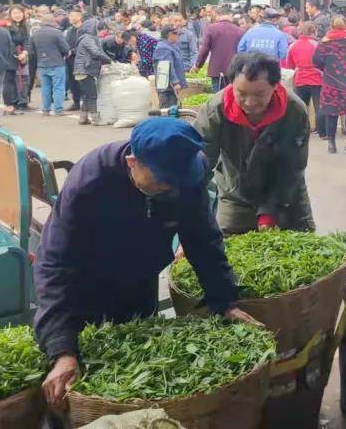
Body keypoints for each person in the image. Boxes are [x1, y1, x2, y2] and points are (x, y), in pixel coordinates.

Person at [33, 118, 257, 410]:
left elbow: (202, 238)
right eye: (161, 181)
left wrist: (224, 300)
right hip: (86, 280)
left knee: (136, 365)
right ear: (132, 162)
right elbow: (55, 263)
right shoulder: (90, 182)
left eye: (177, 182)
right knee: (79, 366)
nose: (170, 189)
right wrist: (62, 349)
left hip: (140, 275)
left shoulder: (188, 171)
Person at [195, 52, 315, 234]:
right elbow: (199, 165)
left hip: (286, 192)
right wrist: (192, 224)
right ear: (231, 84)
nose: (250, 103)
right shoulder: (215, 110)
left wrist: (269, 212)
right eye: (241, 93)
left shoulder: (294, 110)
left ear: (275, 85)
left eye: (259, 94)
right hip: (235, 191)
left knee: (298, 243)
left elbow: (292, 166)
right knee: (226, 247)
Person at [312, 16, 346, 154]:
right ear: (345, 25)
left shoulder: (324, 42)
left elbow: (315, 60)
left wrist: (326, 68)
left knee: (331, 113)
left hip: (330, 82)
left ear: (331, 26)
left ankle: (331, 145)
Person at [287, 21, 326, 139]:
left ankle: (301, 131)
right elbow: (323, 62)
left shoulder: (293, 45)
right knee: (319, 106)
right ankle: (322, 132)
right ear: (313, 31)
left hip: (300, 79)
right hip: (316, 78)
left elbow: (290, 64)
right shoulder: (317, 45)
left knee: (301, 107)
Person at [72, 18, 110, 125]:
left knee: (86, 95)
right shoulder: (89, 39)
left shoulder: (85, 38)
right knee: (92, 95)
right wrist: (108, 60)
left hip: (81, 70)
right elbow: (96, 51)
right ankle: (96, 119)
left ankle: (83, 118)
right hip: (86, 70)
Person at [30, 14, 69, 117]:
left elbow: (32, 50)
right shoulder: (57, 33)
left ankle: (46, 109)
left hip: (42, 64)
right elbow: (65, 48)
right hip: (57, 63)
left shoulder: (35, 33)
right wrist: (65, 55)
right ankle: (58, 109)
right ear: (53, 22)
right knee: (58, 87)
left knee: (45, 87)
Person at [194, 9, 243, 92]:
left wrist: (198, 65)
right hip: (234, 69)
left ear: (218, 16)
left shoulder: (211, 28)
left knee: (218, 98)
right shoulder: (239, 31)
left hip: (216, 69)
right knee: (232, 96)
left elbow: (205, 49)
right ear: (230, 16)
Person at [153, 26, 186, 109]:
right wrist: (175, 82)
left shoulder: (171, 45)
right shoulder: (163, 47)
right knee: (166, 109)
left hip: (169, 86)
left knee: (173, 109)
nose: (178, 36)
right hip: (167, 87)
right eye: (176, 34)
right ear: (169, 35)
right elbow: (167, 66)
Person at [64, 9, 83, 112]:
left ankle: (86, 103)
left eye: (72, 16)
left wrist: (73, 51)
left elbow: (85, 44)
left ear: (79, 17)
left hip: (82, 59)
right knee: (72, 81)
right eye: (69, 16)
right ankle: (76, 102)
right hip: (70, 60)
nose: (70, 18)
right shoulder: (69, 30)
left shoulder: (84, 30)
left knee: (82, 82)